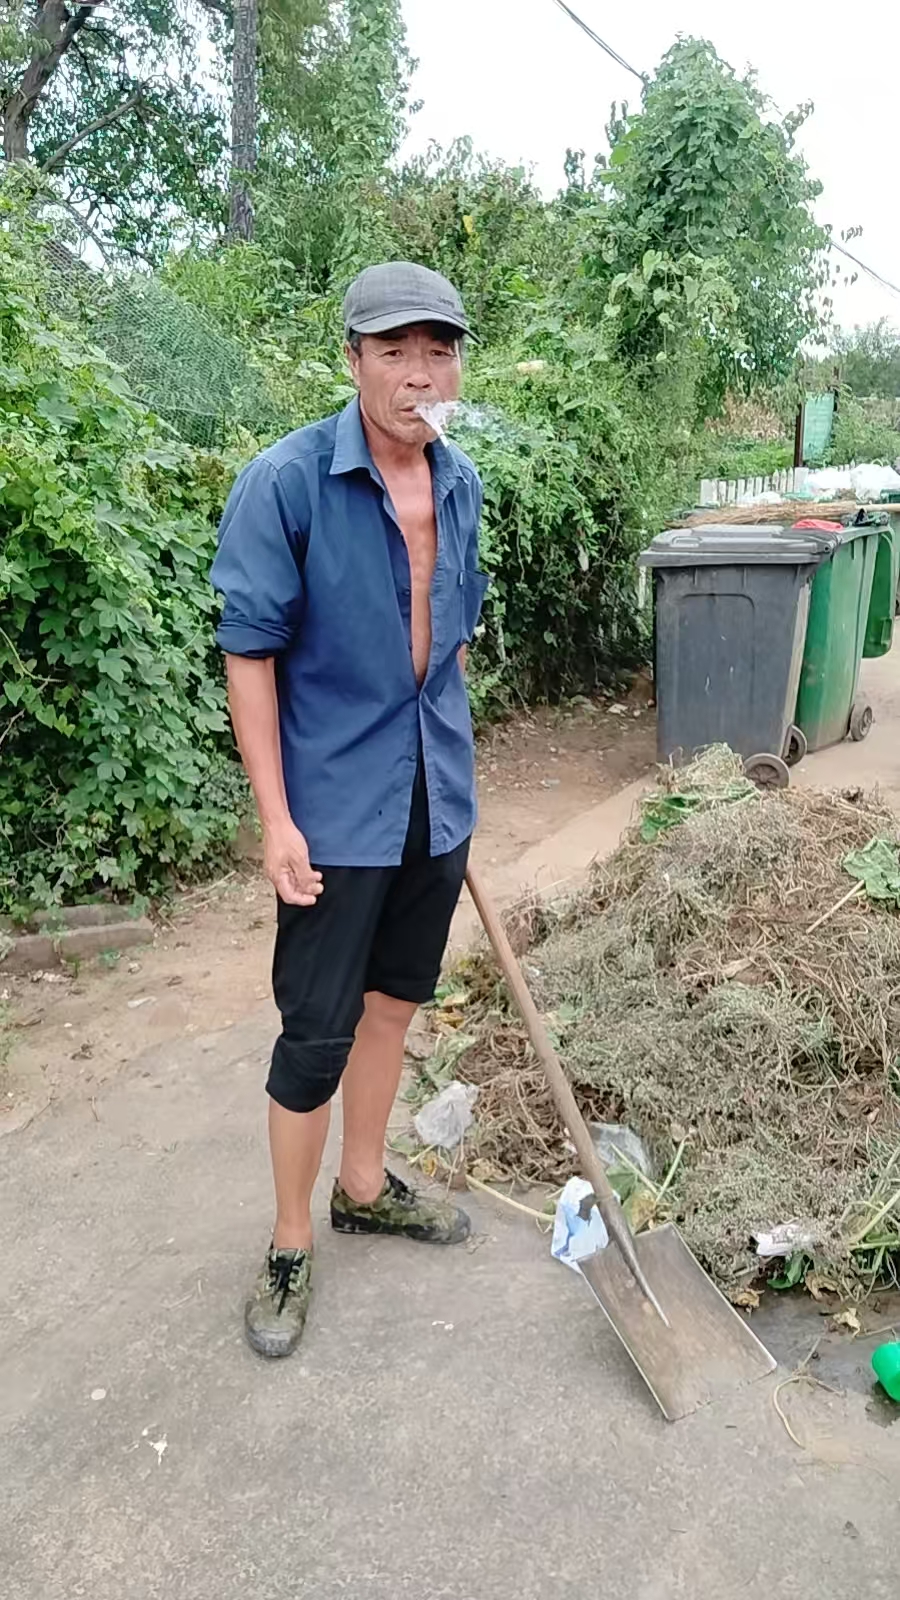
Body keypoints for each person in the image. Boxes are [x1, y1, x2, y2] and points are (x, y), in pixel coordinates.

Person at [211, 262, 488, 1358]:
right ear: (354, 360)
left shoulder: (461, 483)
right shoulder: (285, 483)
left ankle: (363, 1186)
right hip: (332, 807)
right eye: (395, 351)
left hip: (432, 797)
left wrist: (454, 780)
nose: (420, 375)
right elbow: (249, 655)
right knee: (317, 1029)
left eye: (438, 352)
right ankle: (290, 1240)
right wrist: (276, 819)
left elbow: (451, 644)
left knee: (393, 1003)